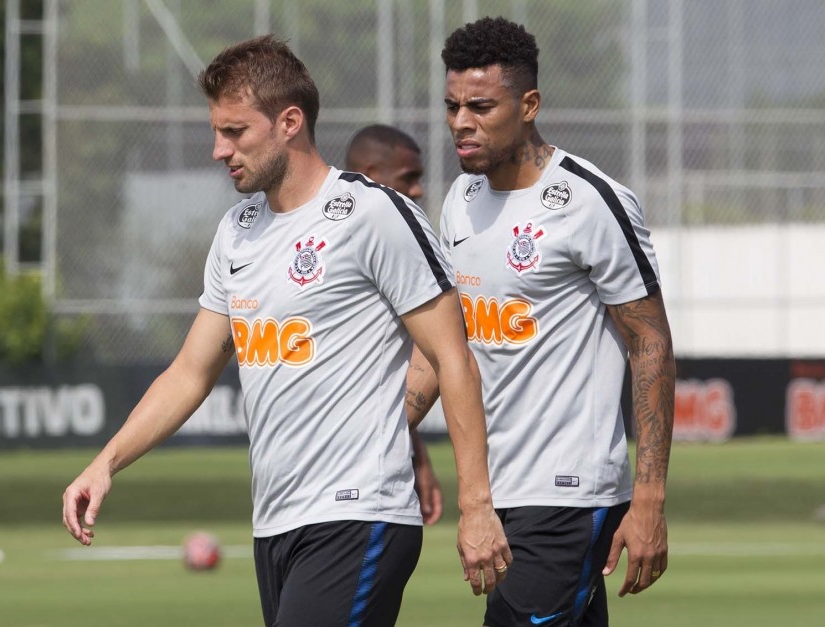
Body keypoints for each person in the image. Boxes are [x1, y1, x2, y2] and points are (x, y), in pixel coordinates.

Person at [62, 34, 511, 627]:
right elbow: (189, 373)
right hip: (275, 523)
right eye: (217, 131)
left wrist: (476, 504)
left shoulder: (372, 214)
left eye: (234, 132)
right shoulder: (236, 231)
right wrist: (106, 462)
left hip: (358, 514)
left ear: (289, 122)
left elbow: (455, 360)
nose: (218, 150)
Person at [406, 17, 676, 627]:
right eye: (451, 107)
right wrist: (382, 427)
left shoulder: (590, 202)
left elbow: (650, 342)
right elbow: (444, 342)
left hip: (566, 493)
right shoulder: (461, 200)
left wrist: (650, 496)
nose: (460, 122)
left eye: (480, 106)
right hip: (496, 492)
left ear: (528, 104)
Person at [345, 124, 442, 525]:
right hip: (317, 477)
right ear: (371, 174)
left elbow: (381, 374)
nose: (418, 190)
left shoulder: (397, 243)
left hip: (360, 489)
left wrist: (414, 454)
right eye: (409, 179)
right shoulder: (341, 244)